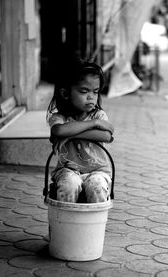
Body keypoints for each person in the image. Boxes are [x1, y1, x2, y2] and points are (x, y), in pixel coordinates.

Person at [46, 57, 114, 203]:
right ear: (65, 93)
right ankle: (65, 224)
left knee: (97, 186)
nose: (91, 97)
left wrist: (71, 135)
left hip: (98, 171)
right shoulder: (60, 117)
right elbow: (58, 131)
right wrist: (93, 124)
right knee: (69, 185)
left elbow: (107, 135)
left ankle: (95, 225)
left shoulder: (98, 115)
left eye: (95, 92)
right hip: (68, 169)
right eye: (84, 91)